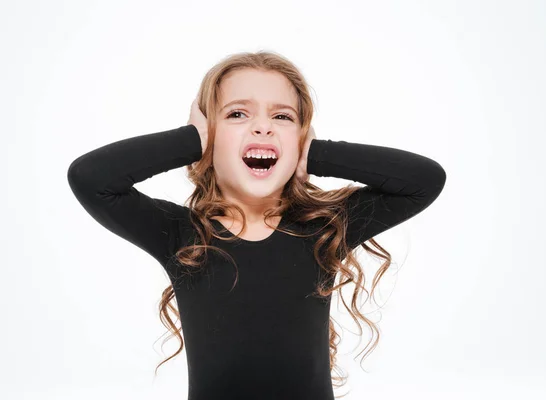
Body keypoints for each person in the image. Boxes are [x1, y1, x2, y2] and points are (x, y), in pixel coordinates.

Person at [67, 50, 447, 400]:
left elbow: (423, 181)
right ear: (208, 135)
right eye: (237, 114)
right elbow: (91, 178)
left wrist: (314, 153)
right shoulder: (181, 234)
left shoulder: (326, 227)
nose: (263, 128)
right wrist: (192, 139)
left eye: (282, 117)